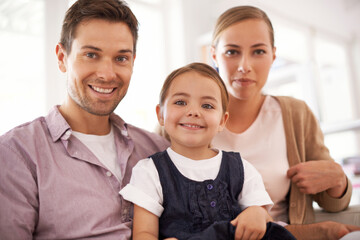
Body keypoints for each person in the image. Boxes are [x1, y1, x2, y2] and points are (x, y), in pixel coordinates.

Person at [0, 0, 169, 239]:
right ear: (62, 57)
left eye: (121, 58)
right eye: (91, 54)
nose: (107, 74)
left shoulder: (157, 150)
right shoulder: (16, 154)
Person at [210, 5, 360, 239]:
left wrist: (338, 179)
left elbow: (334, 203)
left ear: (273, 56)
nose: (244, 66)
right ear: (214, 55)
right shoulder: (185, 115)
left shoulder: (295, 114)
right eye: (232, 52)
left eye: (258, 52)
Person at [120, 62, 296, 240]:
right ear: (161, 115)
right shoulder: (149, 171)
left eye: (207, 106)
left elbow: (262, 217)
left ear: (222, 121)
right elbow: (144, 234)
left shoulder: (241, 168)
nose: (194, 111)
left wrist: (256, 213)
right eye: (180, 102)